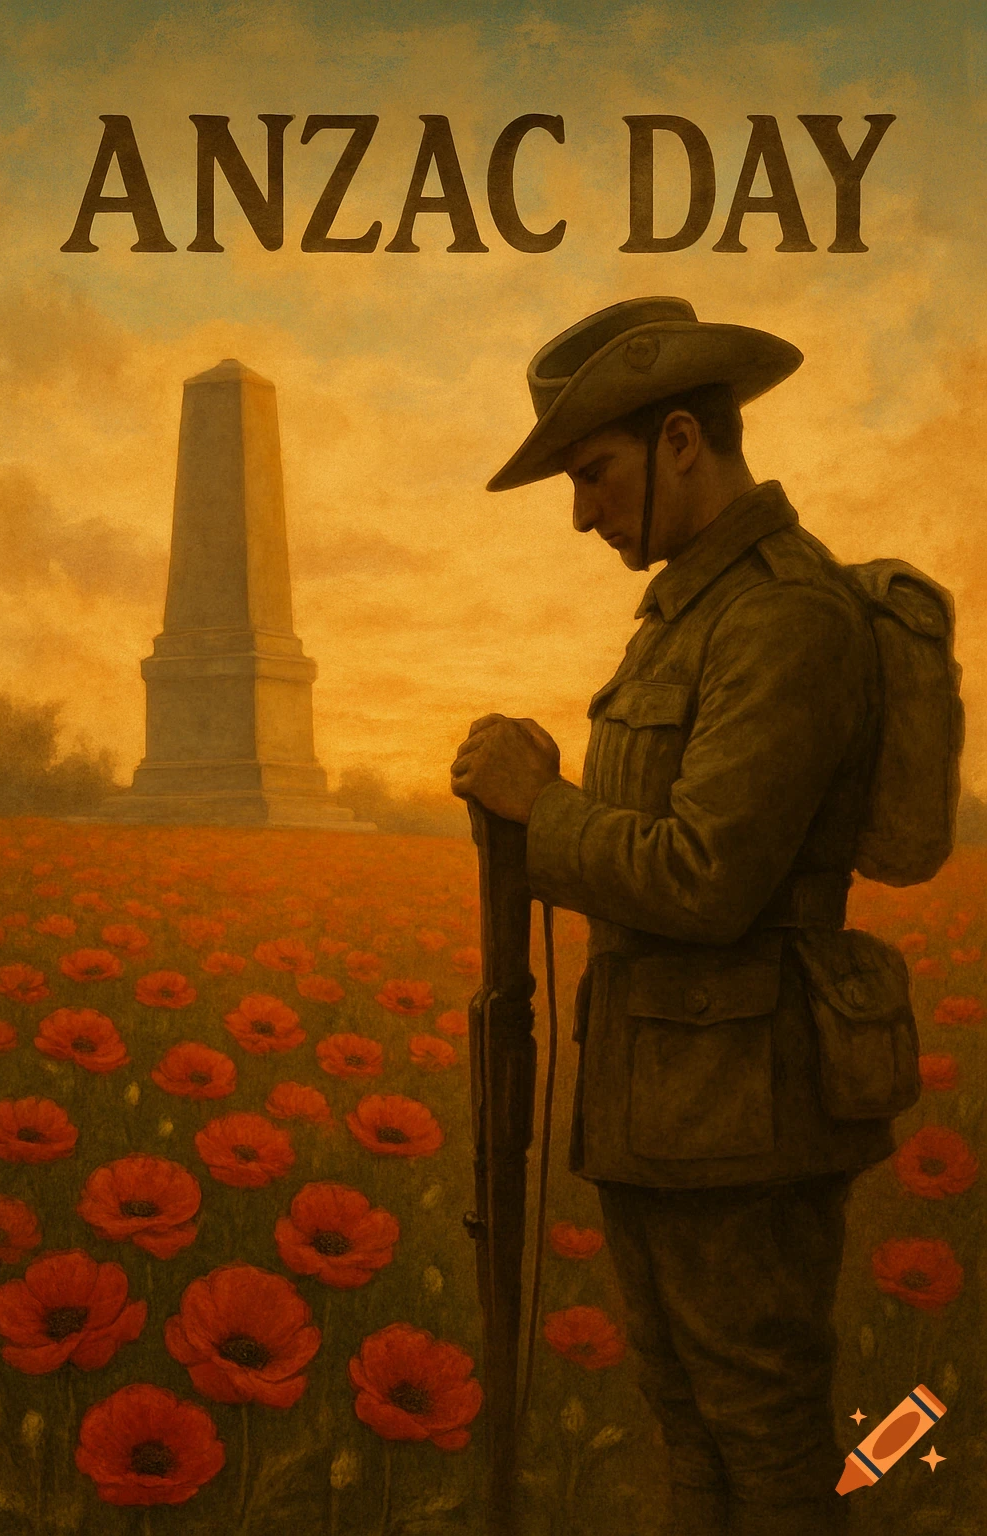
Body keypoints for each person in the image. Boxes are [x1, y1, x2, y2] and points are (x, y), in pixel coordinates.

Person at [450, 297, 913, 1536]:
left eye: (593, 474)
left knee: (761, 1442)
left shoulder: (783, 613)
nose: (580, 511)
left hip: (748, 1112)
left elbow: (706, 876)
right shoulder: (691, 612)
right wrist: (542, 789)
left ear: (680, 442)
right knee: (690, 1428)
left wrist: (539, 810)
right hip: (673, 1107)